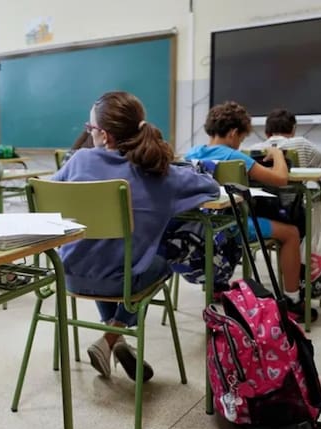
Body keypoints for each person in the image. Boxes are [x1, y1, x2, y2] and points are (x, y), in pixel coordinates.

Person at [54, 91, 220, 381]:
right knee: (169, 252)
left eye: (90, 129)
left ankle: (114, 338)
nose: (89, 134)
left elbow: (48, 194)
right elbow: (211, 188)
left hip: (68, 274)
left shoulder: (79, 161)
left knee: (104, 250)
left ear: (105, 136)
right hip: (123, 281)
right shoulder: (160, 172)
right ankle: (112, 335)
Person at [185, 101, 314, 320]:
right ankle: (293, 300)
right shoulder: (235, 158)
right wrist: (278, 155)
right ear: (234, 133)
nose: (240, 144)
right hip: (233, 228)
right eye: (242, 138)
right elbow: (280, 179)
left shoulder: (192, 153)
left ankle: (218, 285)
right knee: (291, 233)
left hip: (202, 226)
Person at [248, 109, 321, 168]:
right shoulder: (301, 144)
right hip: (294, 190)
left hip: (262, 191)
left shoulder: (253, 149)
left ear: (267, 132)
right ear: (293, 129)